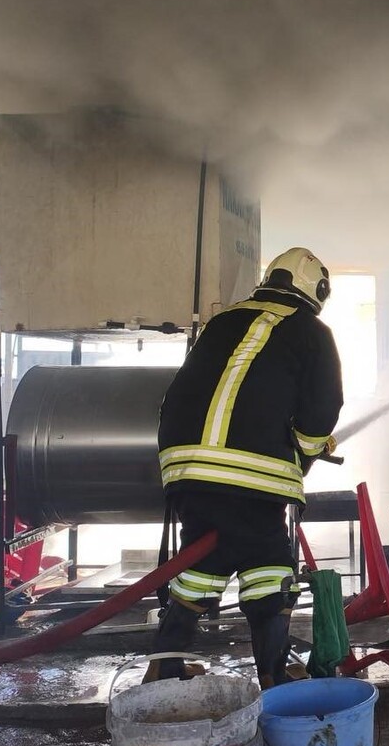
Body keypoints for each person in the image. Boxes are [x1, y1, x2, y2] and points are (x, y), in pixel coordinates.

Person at [147, 246, 343, 688]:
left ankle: (166, 664)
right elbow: (320, 412)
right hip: (249, 474)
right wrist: (307, 453)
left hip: (186, 467)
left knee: (207, 557)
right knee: (270, 566)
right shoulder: (313, 332)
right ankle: (274, 677)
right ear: (319, 289)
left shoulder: (224, 321)